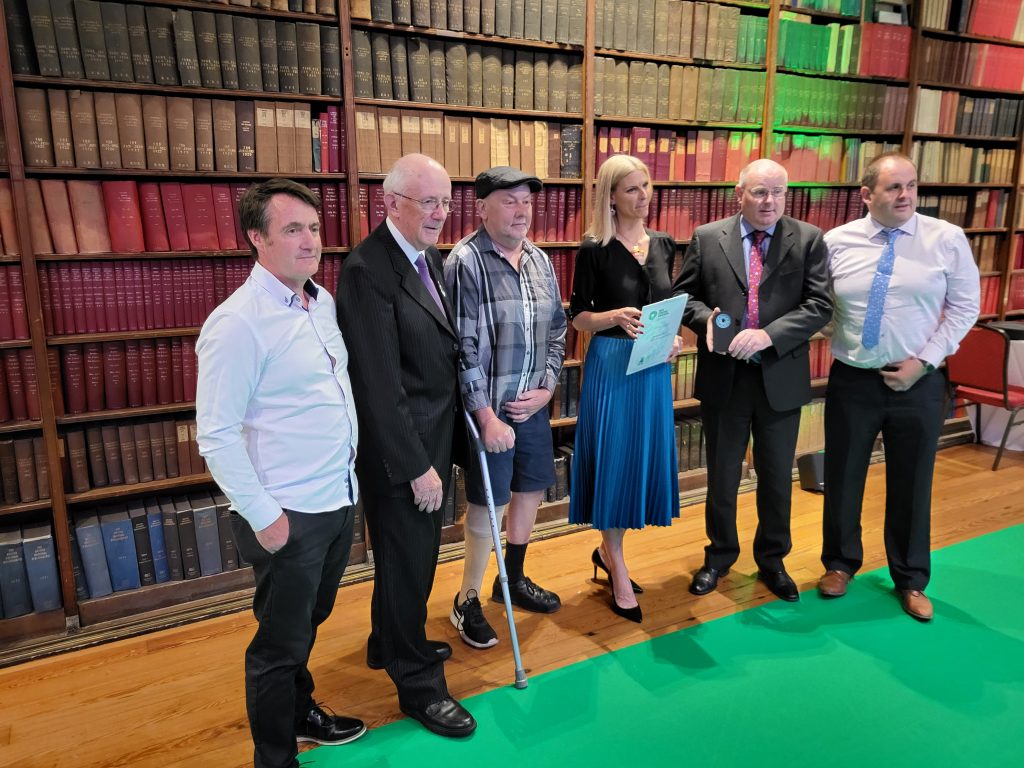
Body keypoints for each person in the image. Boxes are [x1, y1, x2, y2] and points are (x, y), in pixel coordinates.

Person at [195, 179, 365, 768]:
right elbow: (215, 433)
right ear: (256, 239)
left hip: (336, 498)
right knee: (278, 642)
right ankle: (275, 756)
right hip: (287, 512)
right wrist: (264, 517)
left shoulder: (322, 301)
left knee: (306, 623)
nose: (310, 240)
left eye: (314, 228)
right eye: (292, 229)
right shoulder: (238, 322)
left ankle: (300, 713)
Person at [336, 154, 475, 738]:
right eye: (428, 202)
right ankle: (417, 683)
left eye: (446, 202)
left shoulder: (426, 257)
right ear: (389, 203)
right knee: (410, 562)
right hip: (402, 454)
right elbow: (377, 385)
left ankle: (386, 641)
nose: (441, 214)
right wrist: (417, 466)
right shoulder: (368, 270)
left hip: (434, 437)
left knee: (405, 560)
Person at [818, 152, 980, 621]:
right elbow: (820, 302)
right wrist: (834, 331)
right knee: (844, 475)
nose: (905, 195)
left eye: (910, 185)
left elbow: (965, 307)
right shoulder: (836, 241)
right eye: (893, 187)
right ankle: (840, 564)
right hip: (853, 379)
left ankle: (910, 579)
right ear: (866, 194)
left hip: (919, 382)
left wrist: (923, 361)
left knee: (912, 481)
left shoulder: (946, 240)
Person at [674, 158, 831, 602]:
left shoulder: (808, 239)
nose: (770, 201)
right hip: (725, 376)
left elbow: (820, 305)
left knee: (778, 476)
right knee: (723, 476)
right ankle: (719, 556)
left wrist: (768, 335)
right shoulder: (708, 238)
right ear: (739, 194)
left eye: (779, 192)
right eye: (760, 192)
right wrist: (709, 320)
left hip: (779, 376)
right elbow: (685, 297)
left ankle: (773, 561)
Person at [443, 166, 567, 649]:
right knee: (487, 506)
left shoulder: (539, 259)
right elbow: (462, 349)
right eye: (510, 200)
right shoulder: (465, 263)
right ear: (482, 208)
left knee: (531, 489)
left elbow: (557, 329)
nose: (522, 210)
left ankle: (510, 579)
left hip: (532, 405)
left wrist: (549, 386)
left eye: (527, 202)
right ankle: (466, 599)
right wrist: (485, 416)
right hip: (488, 413)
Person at [568, 154, 683, 624]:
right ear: (611, 197)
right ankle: (615, 564)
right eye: (632, 189)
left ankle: (608, 550)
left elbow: (666, 305)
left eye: (646, 186)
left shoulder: (663, 244)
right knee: (615, 461)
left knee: (638, 460)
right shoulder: (594, 248)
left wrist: (674, 338)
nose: (643, 196)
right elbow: (577, 316)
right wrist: (613, 317)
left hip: (653, 367)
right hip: (612, 365)